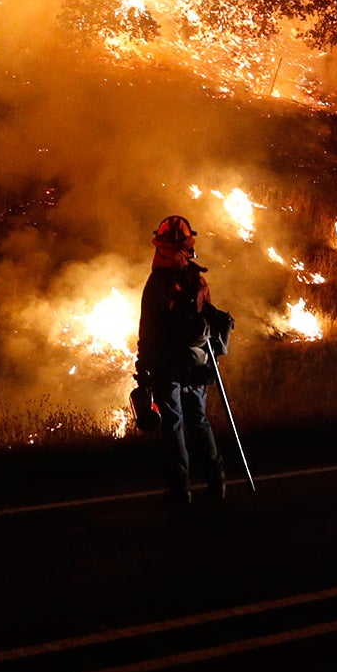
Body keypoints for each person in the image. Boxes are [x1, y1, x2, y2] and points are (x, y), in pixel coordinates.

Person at [136, 214, 227, 507]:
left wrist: (143, 365)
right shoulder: (196, 278)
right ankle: (217, 484)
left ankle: (180, 492)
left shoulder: (157, 284)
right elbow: (208, 319)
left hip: (168, 366)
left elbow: (147, 328)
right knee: (199, 422)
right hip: (196, 363)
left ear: (160, 247)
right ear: (189, 246)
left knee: (173, 426)